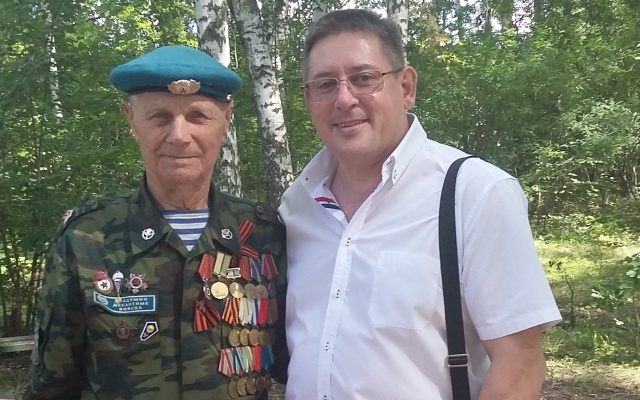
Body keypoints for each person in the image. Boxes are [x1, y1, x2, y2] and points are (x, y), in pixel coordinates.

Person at [279, 9, 561, 400]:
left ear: (406, 87)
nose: (344, 99)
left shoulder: (473, 192)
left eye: (364, 78)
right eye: (325, 84)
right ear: (309, 100)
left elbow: (520, 363)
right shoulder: (295, 206)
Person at [24, 45, 287, 400]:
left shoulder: (264, 234)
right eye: (159, 116)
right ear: (131, 118)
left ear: (226, 120)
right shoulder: (87, 237)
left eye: (198, 116)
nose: (179, 135)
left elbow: (304, 360)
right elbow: (53, 385)